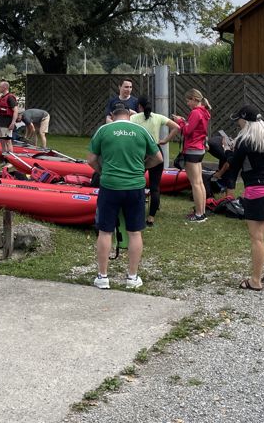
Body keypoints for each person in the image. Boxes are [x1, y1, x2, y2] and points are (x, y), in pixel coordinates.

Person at [87, 102, 164, 290]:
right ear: (129, 116)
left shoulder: (103, 130)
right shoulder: (141, 131)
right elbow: (158, 158)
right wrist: (142, 167)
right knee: (135, 232)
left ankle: (103, 276)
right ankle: (132, 277)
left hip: (110, 186)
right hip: (135, 186)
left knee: (105, 231)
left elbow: (91, 159)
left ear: (112, 116)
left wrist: (103, 171)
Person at [221, 104, 264, 290]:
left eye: (239, 120)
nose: (238, 124)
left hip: (257, 191)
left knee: (257, 238)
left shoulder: (244, 141)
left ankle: (255, 280)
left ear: (245, 121)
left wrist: (227, 150)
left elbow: (234, 165)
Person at [128, 96, 180, 226]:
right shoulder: (158, 117)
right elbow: (177, 127)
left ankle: (134, 210)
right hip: (156, 151)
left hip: (139, 152)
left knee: (135, 182)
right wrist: (165, 140)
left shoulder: (133, 118)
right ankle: (151, 217)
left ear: (139, 106)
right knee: (155, 186)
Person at [173, 88, 212, 222]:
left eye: (188, 101)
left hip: (192, 149)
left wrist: (180, 121)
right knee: (199, 182)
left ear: (195, 99)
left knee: (195, 183)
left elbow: (187, 131)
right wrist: (185, 121)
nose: (187, 103)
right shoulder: (204, 111)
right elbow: (196, 128)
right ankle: (202, 212)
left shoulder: (195, 112)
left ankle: (199, 214)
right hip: (199, 148)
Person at [0, 80, 19, 155]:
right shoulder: (2, 97)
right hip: (1, 123)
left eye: (0, 87)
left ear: (5, 87)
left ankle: (10, 159)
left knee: (8, 141)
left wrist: (13, 123)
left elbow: (16, 111)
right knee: (2, 141)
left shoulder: (10, 97)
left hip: (7, 123)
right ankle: (4, 157)